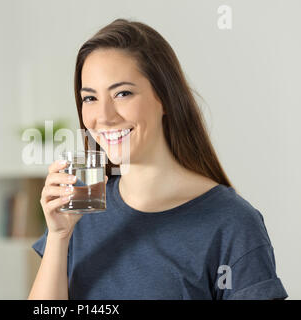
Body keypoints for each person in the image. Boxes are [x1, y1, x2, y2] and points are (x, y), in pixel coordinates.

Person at [27, 18, 288, 300]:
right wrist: (58, 237)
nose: (103, 116)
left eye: (122, 93)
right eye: (90, 98)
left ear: (164, 97)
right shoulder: (80, 214)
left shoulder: (232, 223)